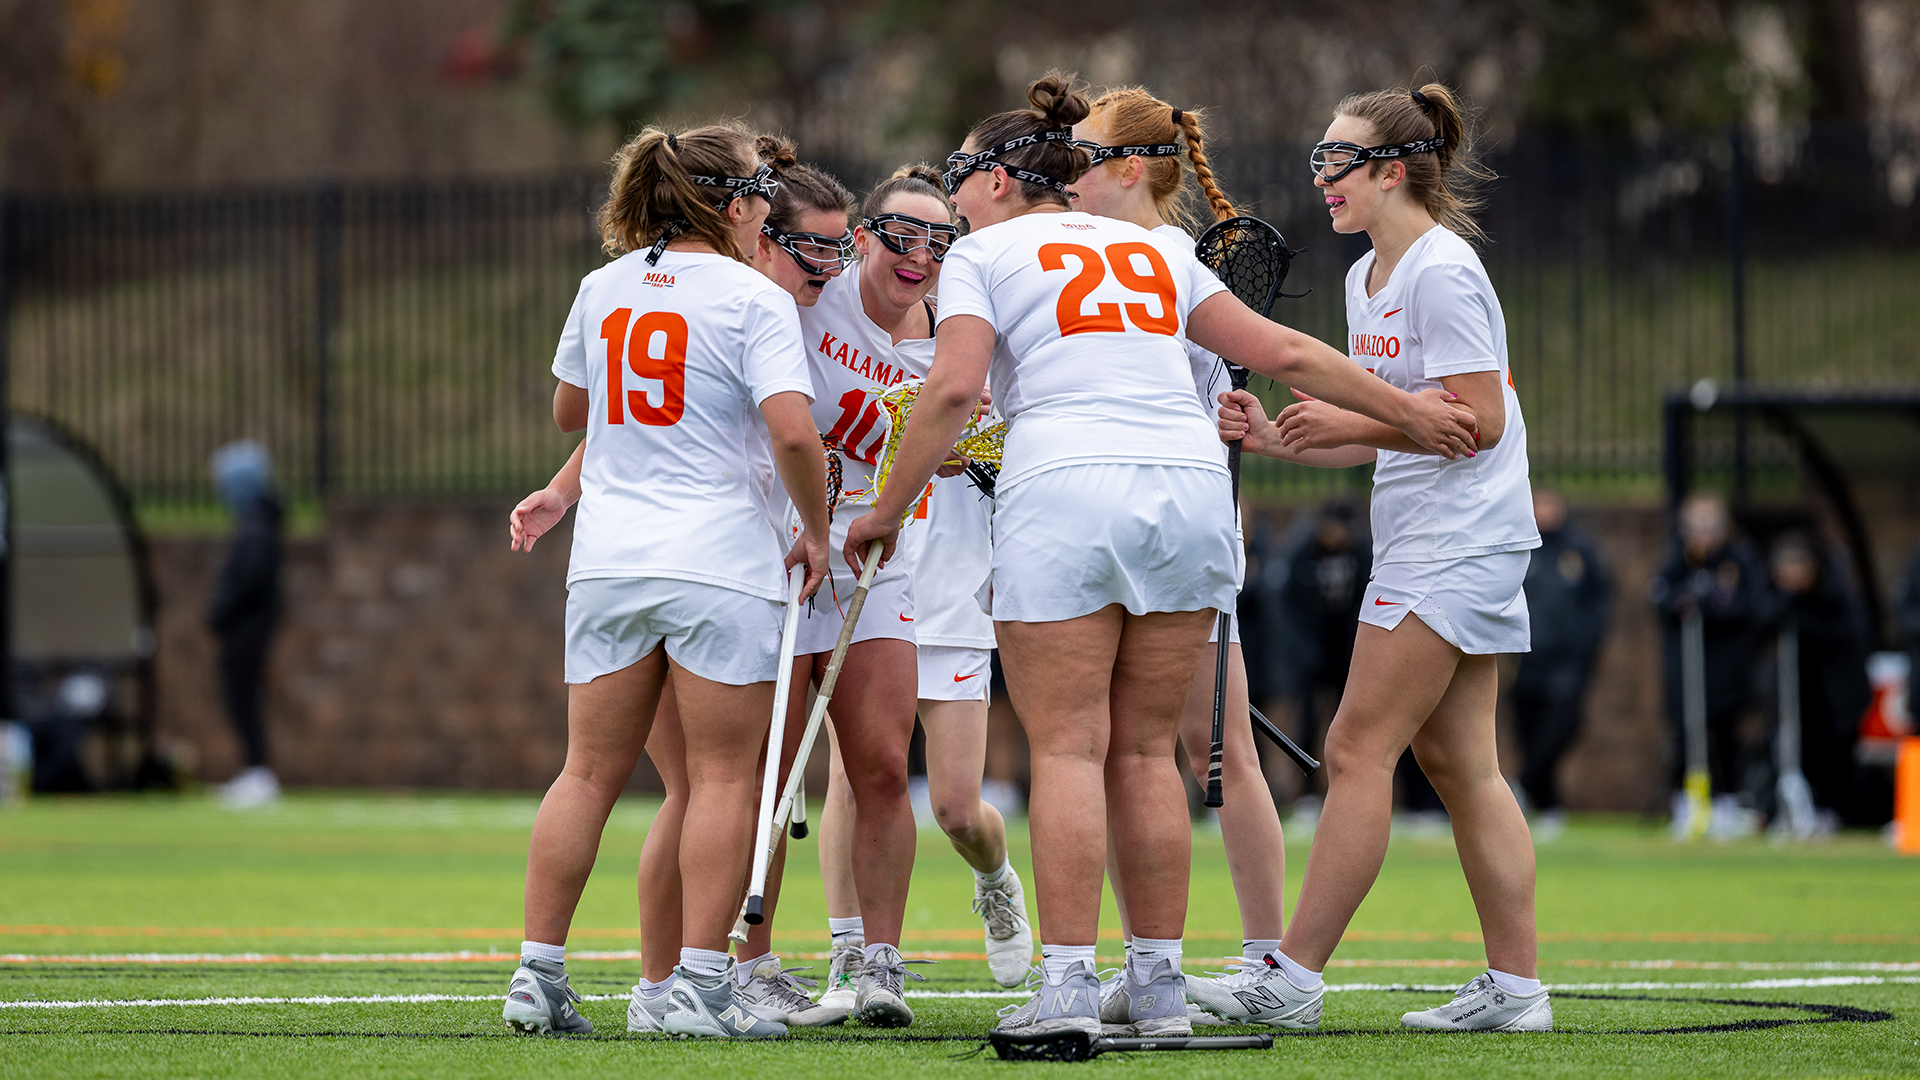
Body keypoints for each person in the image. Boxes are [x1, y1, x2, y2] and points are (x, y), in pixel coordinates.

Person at [846, 72, 1478, 1040]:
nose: (960, 192)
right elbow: (1287, 353)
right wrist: (1412, 412)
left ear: (1014, 180)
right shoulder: (1163, 250)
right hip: (1184, 495)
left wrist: (885, 509)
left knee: (1069, 747)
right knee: (1150, 752)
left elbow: (949, 394)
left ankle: (1064, 990)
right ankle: (1160, 992)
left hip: (1066, 487)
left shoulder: (985, 256)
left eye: (969, 173)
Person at [1217, 82, 1552, 1032]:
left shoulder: (1439, 271)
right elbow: (1404, 423)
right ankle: (1518, 991)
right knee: (1462, 769)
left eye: (1335, 159)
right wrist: (1296, 439)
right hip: (1432, 534)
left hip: (1457, 540)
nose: (1320, 176)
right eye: (1319, 158)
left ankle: (1291, 977)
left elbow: (1477, 424)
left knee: (1357, 748)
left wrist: (1356, 417)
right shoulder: (1371, 276)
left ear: (1390, 169)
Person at [499, 121, 830, 1040]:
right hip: (719, 562)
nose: (768, 207)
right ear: (730, 202)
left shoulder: (602, 287)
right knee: (725, 780)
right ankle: (696, 984)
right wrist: (814, 530)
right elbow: (795, 434)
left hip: (609, 563)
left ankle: (539, 973)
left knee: (587, 772)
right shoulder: (751, 297)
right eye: (761, 192)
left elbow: (575, 409)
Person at [1060, 83, 1288, 1023]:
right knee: (1125, 750)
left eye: (1081, 153)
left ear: (1131, 167)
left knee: (1211, 745)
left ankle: (1269, 960)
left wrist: (1235, 420)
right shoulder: (1104, 256)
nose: (1064, 170)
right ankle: (1145, 960)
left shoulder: (1174, 266)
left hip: (1175, 531)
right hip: (1132, 522)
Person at [810, 165, 1036, 1011]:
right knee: (856, 775)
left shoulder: (966, 334)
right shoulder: (818, 304)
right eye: (901, 236)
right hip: (861, 587)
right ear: (865, 236)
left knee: (955, 806)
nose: (921, 255)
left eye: (939, 241)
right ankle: (854, 960)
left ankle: (997, 879)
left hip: (946, 591)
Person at [1649, 492, 1768, 835]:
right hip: (1687, 665)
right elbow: (1662, 597)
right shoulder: (1677, 557)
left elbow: (1749, 604)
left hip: (1725, 666)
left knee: (1726, 735)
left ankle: (1727, 804)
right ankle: (1687, 804)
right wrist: (1688, 600)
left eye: (1710, 526)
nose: (1703, 535)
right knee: (1686, 735)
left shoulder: (1740, 558)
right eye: (1695, 527)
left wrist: (1712, 605)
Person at [1511, 489, 1610, 839]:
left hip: (1567, 661)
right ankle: (1548, 804)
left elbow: (1599, 598)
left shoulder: (1578, 549)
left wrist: (1587, 643)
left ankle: (1522, 788)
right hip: (1527, 659)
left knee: (1559, 729)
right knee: (1529, 732)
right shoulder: (1522, 545)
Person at [1765, 531, 1870, 826]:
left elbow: (1841, 637)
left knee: (1836, 760)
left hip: (1836, 697)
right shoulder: (1780, 600)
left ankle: (1839, 813)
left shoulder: (1836, 597)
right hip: (1798, 695)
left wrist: (1798, 615)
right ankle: (1803, 811)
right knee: (1798, 753)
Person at [208, 440, 283, 810]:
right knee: (240, 700)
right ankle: (253, 771)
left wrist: (222, 610)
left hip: (247, 631)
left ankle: (257, 772)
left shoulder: (255, 527)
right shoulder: (258, 523)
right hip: (248, 629)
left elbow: (249, 578)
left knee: (245, 700)